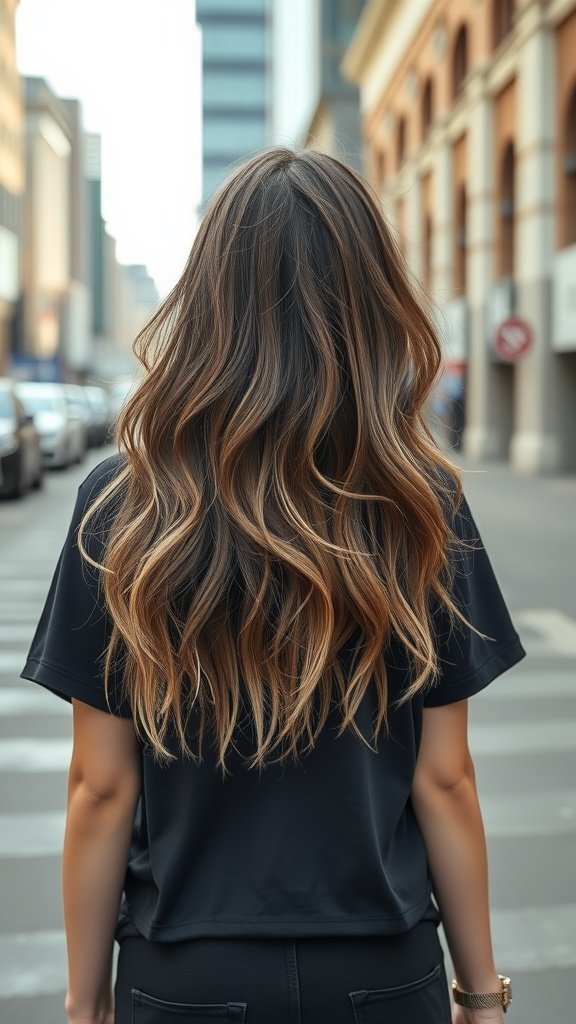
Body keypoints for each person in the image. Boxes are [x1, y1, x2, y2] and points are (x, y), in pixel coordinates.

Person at [20, 147, 525, 1024]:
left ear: (208, 300)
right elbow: (445, 781)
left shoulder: (127, 504)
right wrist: (481, 995)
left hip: (181, 974)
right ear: (370, 300)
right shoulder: (419, 499)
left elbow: (100, 789)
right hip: (382, 969)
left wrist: (85, 1004)